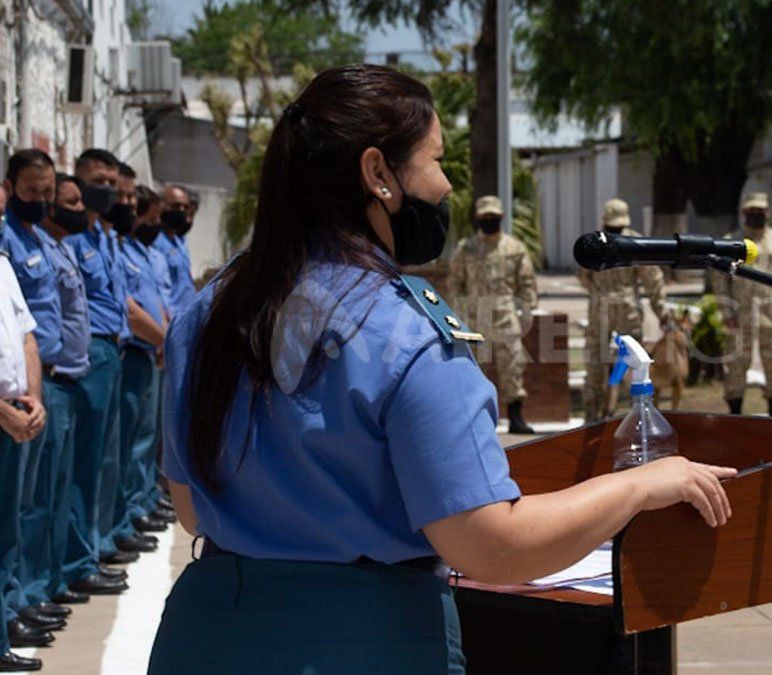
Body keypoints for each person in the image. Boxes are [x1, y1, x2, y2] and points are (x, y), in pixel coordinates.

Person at [148, 64, 734, 675]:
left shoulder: (206, 313)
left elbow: (191, 507)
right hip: (362, 644)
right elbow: (490, 546)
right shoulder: (405, 331)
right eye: (435, 160)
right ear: (379, 174)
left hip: (206, 638)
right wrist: (638, 485)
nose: (447, 185)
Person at [1, 150, 80, 637]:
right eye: (33, 192)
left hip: (32, 392)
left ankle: (14, 606)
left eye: (47, 193)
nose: (42, 202)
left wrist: (33, 394)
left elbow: (26, 331)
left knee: (25, 510)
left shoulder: (9, 258)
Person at [63, 148, 131, 595]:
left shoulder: (103, 236)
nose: (106, 190)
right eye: (99, 181)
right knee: (83, 465)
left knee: (105, 460)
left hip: (114, 350)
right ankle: (76, 560)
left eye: (112, 182)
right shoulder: (71, 240)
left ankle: (95, 545)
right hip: (88, 355)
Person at [35, 174, 93, 613]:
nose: (80, 209)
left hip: (66, 376)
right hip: (45, 379)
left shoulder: (59, 247)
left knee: (56, 490)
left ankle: (47, 583)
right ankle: (25, 594)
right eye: (69, 201)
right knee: (33, 501)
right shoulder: (25, 244)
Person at [0, 182, 49, 668]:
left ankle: (6, 621)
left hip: (19, 410)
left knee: (10, 528)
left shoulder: (3, 267)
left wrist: (33, 399)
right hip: (3, 414)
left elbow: (27, 336)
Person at [107, 185, 169, 555]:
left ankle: (137, 504)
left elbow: (157, 301)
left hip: (150, 351)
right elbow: (130, 309)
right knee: (125, 443)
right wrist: (164, 339)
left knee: (143, 437)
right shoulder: (120, 250)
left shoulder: (138, 251)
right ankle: (125, 513)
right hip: (132, 351)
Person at [449, 195, 539, 434]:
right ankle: (478, 419)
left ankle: (516, 417)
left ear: (501, 217)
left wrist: (526, 311)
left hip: (505, 317)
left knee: (512, 366)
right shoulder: (465, 248)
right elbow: (455, 282)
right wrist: (458, 313)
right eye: (485, 217)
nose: (489, 220)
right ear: (478, 218)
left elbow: (527, 282)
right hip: (475, 318)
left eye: (493, 217)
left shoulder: (514, 248)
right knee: (474, 369)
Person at [578, 198, 670, 423]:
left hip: (627, 312)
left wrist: (663, 312)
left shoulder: (635, 242)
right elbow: (583, 273)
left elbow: (652, 279)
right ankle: (592, 418)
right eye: (612, 228)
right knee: (595, 363)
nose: (615, 232)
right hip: (602, 310)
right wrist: (599, 293)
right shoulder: (595, 242)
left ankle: (634, 417)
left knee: (633, 365)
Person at [714, 192, 772, 417]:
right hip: (740, 317)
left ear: (768, 212)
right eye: (751, 211)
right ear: (743, 213)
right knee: (735, 369)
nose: (756, 215)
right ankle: (735, 417)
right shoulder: (731, 241)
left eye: (760, 211)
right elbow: (719, 280)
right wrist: (726, 312)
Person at [156, 184, 197, 317]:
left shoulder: (179, 242)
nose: (181, 210)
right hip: (171, 319)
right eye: (175, 206)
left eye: (185, 207)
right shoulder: (156, 242)